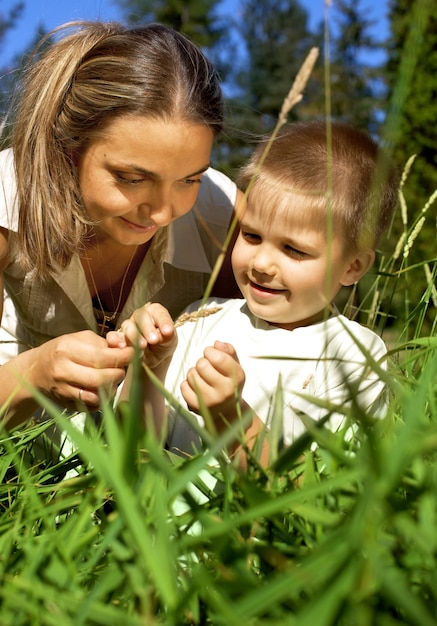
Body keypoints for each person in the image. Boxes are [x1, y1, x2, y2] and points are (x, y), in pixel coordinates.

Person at [0, 21, 241, 430]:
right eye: (132, 178)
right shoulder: (6, 200)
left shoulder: (223, 214)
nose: (163, 212)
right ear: (69, 147)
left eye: (189, 179)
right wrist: (34, 373)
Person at [113, 120, 399, 467]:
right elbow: (138, 450)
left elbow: (313, 489)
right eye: (251, 236)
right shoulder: (202, 318)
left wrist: (231, 419)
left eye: (294, 250)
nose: (262, 263)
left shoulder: (353, 357)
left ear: (352, 266)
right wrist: (147, 370)